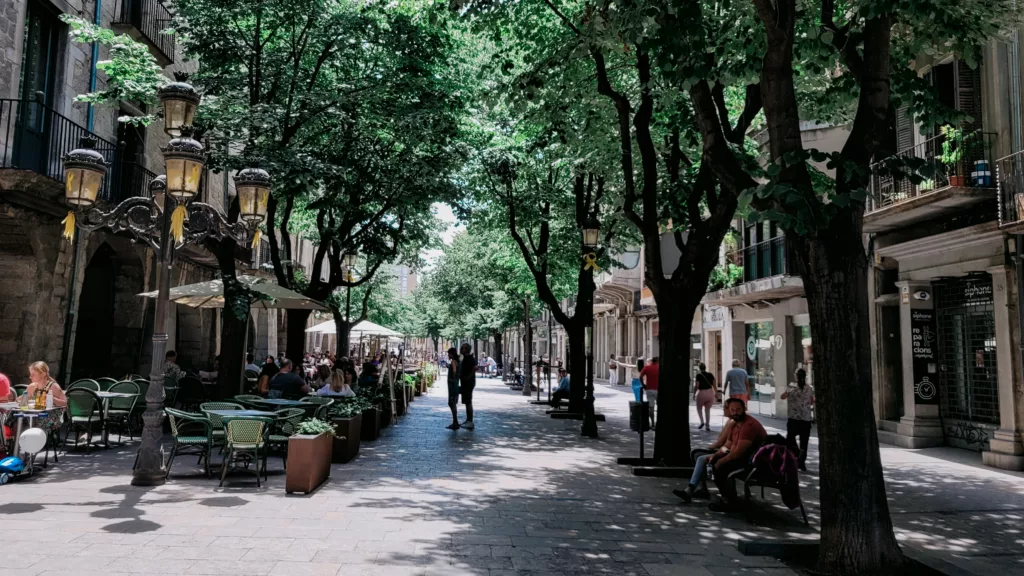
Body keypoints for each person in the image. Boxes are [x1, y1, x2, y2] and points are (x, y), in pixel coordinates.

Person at [710, 399, 767, 510]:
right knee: (714, 462)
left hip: (753, 463)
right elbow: (727, 445)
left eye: (738, 410)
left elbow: (737, 453)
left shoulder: (749, 426)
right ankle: (729, 497)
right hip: (743, 458)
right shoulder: (734, 424)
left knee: (720, 467)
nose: (735, 412)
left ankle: (729, 501)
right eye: (733, 410)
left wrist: (720, 461)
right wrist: (715, 455)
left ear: (744, 409)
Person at [673, 419, 736, 503]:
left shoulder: (734, 422)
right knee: (696, 453)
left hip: (732, 455)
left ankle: (725, 497)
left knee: (701, 458)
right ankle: (700, 488)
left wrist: (715, 455)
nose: (724, 409)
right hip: (725, 451)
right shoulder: (731, 422)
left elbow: (723, 444)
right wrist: (716, 453)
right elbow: (725, 444)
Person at [780, 368, 815, 471]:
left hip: (793, 418)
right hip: (806, 419)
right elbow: (812, 401)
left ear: (796, 376)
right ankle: (802, 462)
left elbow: (782, 396)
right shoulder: (809, 388)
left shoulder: (791, 386)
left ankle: (796, 455)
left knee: (790, 439)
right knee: (804, 442)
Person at [693, 362, 717, 431]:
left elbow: (697, 386)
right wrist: (716, 393)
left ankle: (702, 421)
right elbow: (714, 385)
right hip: (710, 393)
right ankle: (707, 425)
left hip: (701, 393)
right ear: (705, 367)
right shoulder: (710, 374)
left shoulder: (699, 375)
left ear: (699, 368)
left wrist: (694, 394)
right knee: (707, 410)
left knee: (699, 408)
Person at [459, 343, 477, 429]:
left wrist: (468, 377)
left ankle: (470, 421)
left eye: (462, 348)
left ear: (466, 349)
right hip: (465, 382)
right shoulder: (465, 358)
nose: (461, 349)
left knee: (468, 401)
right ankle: (468, 420)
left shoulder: (470, 358)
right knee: (467, 402)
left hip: (468, 383)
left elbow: (475, 367)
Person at [640, 357, 660, 428]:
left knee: (651, 407)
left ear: (652, 361)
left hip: (649, 389)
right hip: (658, 390)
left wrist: (644, 385)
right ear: (657, 361)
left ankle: (653, 424)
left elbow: (640, 377)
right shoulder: (659, 368)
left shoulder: (646, 368)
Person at [445, 347, 461, 430]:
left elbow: (454, 370)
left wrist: (453, 378)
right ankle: (455, 421)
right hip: (455, 384)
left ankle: (455, 422)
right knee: (453, 402)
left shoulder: (454, 361)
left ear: (452, 354)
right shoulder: (457, 361)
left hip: (452, 385)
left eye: (449, 354)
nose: (448, 355)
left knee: (452, 402)